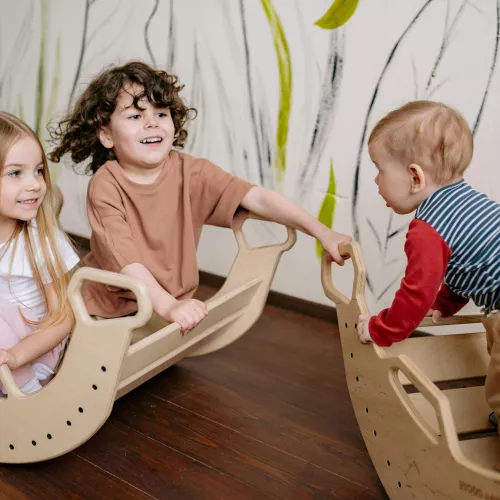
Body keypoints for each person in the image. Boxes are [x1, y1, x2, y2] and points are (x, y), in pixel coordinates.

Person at [49, 61, 351, 333]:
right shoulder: (106, 184)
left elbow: (257, 198)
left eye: (160, 113)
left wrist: (321, 231)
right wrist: (168, 306)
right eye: (135, 116)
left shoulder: (191, 172)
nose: (152, 122)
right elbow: (126, 261)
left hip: (167, 303)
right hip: (111, 308)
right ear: (106, 136)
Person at [355, 101, 500, 436]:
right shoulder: (468, 202)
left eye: (379, 170)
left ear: (415, 177)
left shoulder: (428, 228)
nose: (376, 181)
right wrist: (446, 302)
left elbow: (415, 295)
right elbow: (473, 261)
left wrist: (380, 328)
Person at [0, 111, 79, 394]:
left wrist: (16, 356)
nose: (35, 184)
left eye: (38, 170)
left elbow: (64, 318)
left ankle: (26, 395)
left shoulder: (41, 240)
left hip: (34, 349)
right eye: (15, 173)